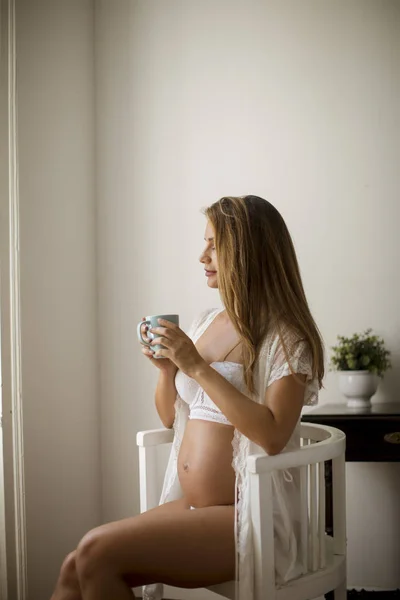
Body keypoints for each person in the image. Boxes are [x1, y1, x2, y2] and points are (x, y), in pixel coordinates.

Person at [50, 195, 324, 600]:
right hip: (193, 506)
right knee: (75, 563)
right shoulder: (206, 323)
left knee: (95, 552)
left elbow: (272, 435)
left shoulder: (287, 337)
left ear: (246, 253)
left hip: (250, 517)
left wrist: (195, 366)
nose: (203, 256)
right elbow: (169, 418)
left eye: (214, 245)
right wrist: (167, 371)